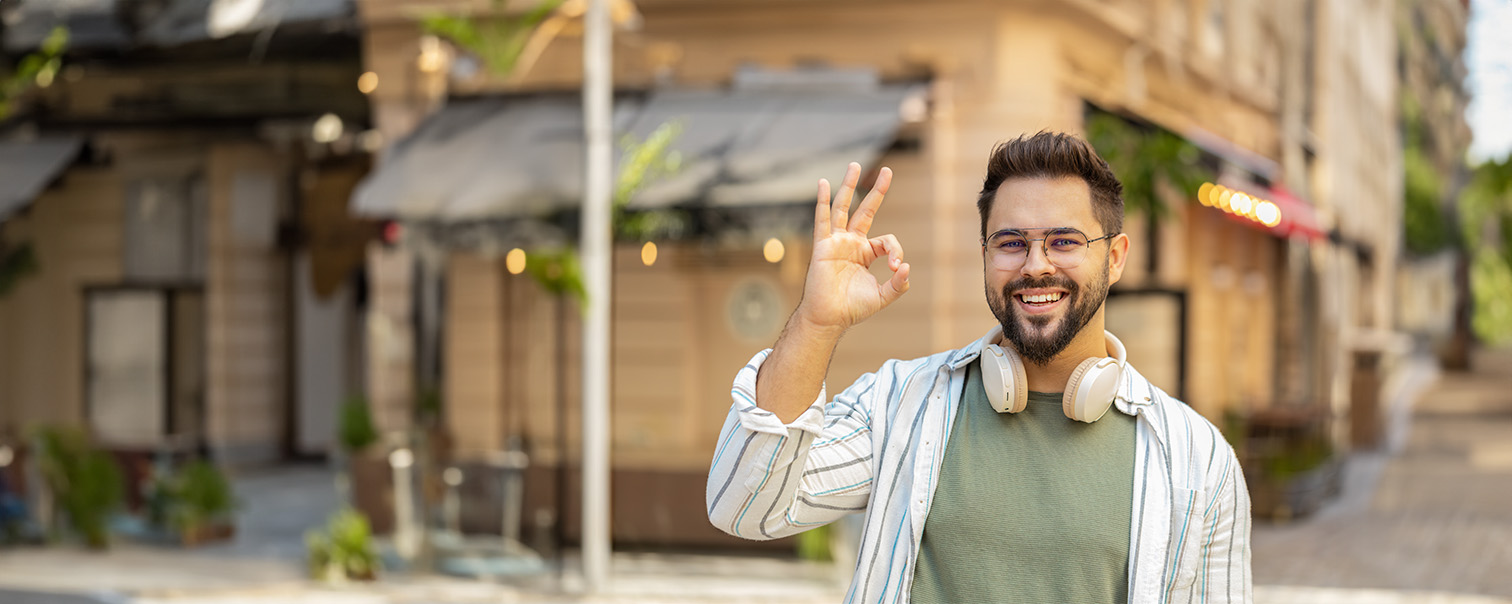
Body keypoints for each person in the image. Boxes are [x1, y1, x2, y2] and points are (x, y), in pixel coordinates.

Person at [706, 131, 1251, 603]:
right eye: (1011, 243)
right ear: (986, 256)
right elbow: (746, 505)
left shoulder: (1197, 462)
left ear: (1114, 257)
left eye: (1064, 241)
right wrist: (817, 324)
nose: (1036, 266)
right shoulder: (902, 402)